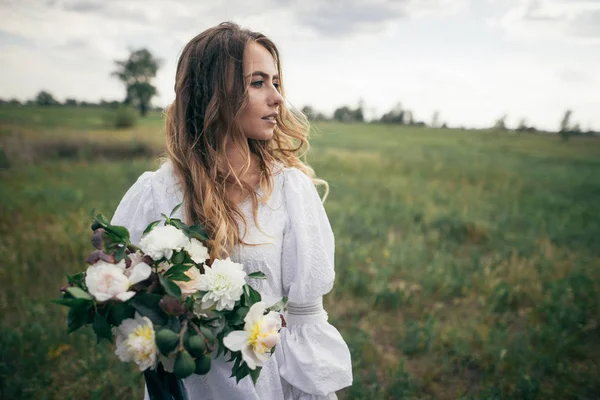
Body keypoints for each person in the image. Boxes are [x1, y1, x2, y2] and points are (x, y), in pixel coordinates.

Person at [110, 21, 353, 399]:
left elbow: (305, 321)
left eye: (275, 82)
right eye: (258, 83)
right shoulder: (156, 192)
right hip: (190, 384)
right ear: (212, 92)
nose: (277, 98)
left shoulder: (290, 190)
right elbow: (125, 298)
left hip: (266, 384)